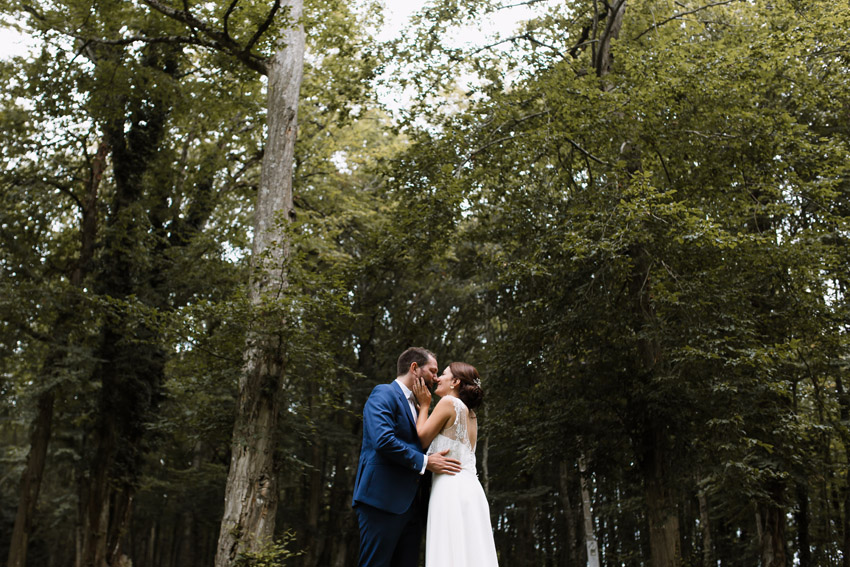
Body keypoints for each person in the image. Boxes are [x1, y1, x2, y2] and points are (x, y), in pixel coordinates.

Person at [352, 347, 463, 567]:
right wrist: (425, 462)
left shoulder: (422, 406)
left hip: (413, 507)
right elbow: (383, 440)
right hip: (382, 501)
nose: (436, 377)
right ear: (414, 368)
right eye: (432, 371)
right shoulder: (383, 393)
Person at [412, 362, 499, 567]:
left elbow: (422, 440)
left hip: (450, 487)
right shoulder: (471, 414)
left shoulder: (448, 403)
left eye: (443, 374)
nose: (437, 379)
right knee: (470, 553)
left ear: (455, 381)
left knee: (449, 551)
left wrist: (425, 406)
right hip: (471, 489)